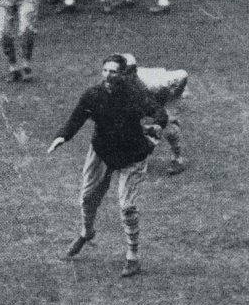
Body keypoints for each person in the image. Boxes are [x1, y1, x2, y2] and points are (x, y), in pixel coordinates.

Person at [48, 54, 169, 278]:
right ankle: (87, 232)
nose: (107, 76)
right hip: (102, 152)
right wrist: (62, 137)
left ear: (123, 74)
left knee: (127, 207)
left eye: (113, 72)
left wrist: (156, 126)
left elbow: (160, 113)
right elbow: (75, 119)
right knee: (87, 197)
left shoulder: (136, 95)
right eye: (105, 71)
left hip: (132, 155)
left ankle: (133, 256)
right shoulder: (93, 95)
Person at [120, 54, 187, 176]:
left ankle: (178, 160)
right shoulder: (117, 83)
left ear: (134, 71)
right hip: (149, 96)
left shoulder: (155, 82)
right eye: (121, 73)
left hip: (168, 95)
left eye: (127, 72)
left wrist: (174, 94)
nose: (123, 76)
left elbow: (183, 75)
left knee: (169, 126)